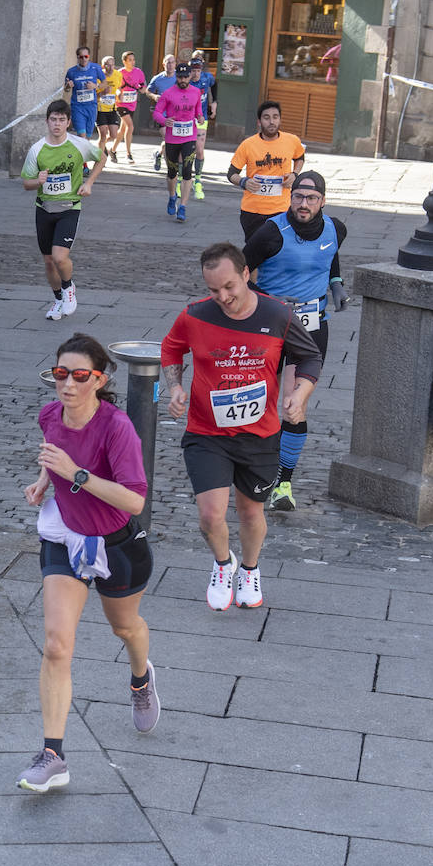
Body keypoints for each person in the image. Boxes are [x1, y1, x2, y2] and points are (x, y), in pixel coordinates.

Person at [17, 334, 157, 794]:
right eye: (61, 374)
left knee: (126, 628)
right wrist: (44, 480)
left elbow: (134, 500)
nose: (69, 385)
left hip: (116, 542)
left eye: (80, 376)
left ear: (100, 378)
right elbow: (51, 453)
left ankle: (141, 678)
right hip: (66, 538)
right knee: (57, 645)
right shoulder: (49, 415)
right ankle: (53, 755)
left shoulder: (117, 428)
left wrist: (76, 473)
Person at [160, 243, 322, 611]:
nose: (223, 297)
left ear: (246, 274)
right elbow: (170, 349)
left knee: (251, 513)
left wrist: (300, 393)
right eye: (214, 289)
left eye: (229, 286)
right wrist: (174, 386)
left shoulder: (277, 314)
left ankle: (249, 569)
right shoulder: (195, 315)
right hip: (206, 433)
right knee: (210, 515)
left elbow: (309, 354)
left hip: (259, 435)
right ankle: (222, 563)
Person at [241, 171, 347, 512]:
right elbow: (238, 274)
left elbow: (329, 255)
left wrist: (337, 283)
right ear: (290, 197)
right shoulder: (270, 232)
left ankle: (282, 482)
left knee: (293, 405)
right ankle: (251, 467)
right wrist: (265, 300)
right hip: (270, 326)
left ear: (322, 201)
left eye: (311, 199)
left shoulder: (336, 228)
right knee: (259, 401)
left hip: (312, 327)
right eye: (299, 197)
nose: (304, 204)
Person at [20, 100, 105, 321]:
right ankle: (58, 299)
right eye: (53, 119)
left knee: (59, 257)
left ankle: (68, 289)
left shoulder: (79, 145)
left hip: (69, 208)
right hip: (44, 209)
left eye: (61, 120)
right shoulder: (37, 149)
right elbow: (26, 183)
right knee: (48, 260)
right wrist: (37, 181)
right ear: (47, 121)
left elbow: (101, 158)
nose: (57, 124)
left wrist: (89, 183)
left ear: (68, 122)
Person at [227, 100, 306, 240]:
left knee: (279, 252)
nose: (271, 122)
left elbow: (300, 157)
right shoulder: (248, 145)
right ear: (259, 122)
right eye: (266, 117)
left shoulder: (292, 140)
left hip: (282, 210)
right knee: (255, 254)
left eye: (275, 117)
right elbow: (231, 174)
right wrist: (243, 182)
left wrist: (295, 174)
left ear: (280, 119)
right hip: (252, 211)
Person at [152, 62, 203, 223]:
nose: (182, 80)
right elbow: (157, 112)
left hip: (189, 136)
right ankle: (172, 196)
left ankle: (183, 206)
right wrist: (164, 120)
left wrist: (200, 117)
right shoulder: (168, 93)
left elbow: (198, 111)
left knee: (187, 171)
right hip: (172, 138)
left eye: (185, 77)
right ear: (177, 77)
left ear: (190, 77)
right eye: (180, 77)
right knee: (172, 172)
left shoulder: (196, 92)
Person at [189, 52, 218, 200]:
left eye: (198, 69)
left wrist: (214, 102)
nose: (195, 73)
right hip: (186, 119)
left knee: (199, 149)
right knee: (186, 151)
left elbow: (215, 85)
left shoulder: (207, 78)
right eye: (193, 70)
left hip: (202, 119)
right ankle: (181, 180)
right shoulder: (185, 81)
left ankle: (198, 180)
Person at [113, 52, 149, 164]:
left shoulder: (138, 72)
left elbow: (143, 86)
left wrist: (142, 89)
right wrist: (119, 93)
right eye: (130, 60)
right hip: (120, 104)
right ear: (124, 61)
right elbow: (116, 88)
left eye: (133, 60)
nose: (132, 62)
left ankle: (112, 150)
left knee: (123, 130)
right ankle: (128, 154)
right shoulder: (119, 73)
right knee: (130, 126)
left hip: (132, 104)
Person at [63, 46, 106, 139]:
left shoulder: (96, 68)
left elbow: (104, 83)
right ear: (77, 57)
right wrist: (68, 86)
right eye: (81, 57)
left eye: (86, 56)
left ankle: (83, 153)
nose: (84, 59)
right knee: (82, 136)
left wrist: (95, 86)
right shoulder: (71, 72)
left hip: (91, 106)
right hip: (77, 107)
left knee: (88, 138)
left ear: (89, 56)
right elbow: (66, 89)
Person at [146, 54, 177, 171]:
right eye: (167, 63)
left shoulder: (179, 78)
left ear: (175, 64)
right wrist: (154, 97)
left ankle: (158, 154)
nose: (170, 65)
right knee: (168, 137)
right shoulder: (157, 78)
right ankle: (171, 166)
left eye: (172, 62)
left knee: (170, 140)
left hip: (176, 115)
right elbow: (147, 91)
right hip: (162, 115)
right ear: (163, 64)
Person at [95, 56, 123, 162]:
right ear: (103, 66)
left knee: (113, 135)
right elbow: (94, 95)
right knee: (103, 135)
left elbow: (118, 88)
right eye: (107, 64)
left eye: (112, 64)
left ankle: (101, 146)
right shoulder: (98, 76)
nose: (110, 67)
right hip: (100, 109)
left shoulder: (118, 74)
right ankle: (100, 159)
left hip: (112, 109)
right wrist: (102, 93)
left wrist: (119, 94)